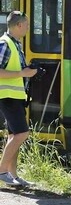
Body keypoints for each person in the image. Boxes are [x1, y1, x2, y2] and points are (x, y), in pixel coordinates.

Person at [0, 11, 38, 187]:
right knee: (22, 134)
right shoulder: (5, 44)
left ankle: (13, 176)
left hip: (14, 96)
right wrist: (22, 73)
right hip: (7, 96)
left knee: (13, 136)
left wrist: (29, 71)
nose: (29, 28)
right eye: (28, 25)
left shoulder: (15, 44)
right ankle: (1, 172)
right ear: (19, 26)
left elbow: (17, 69)